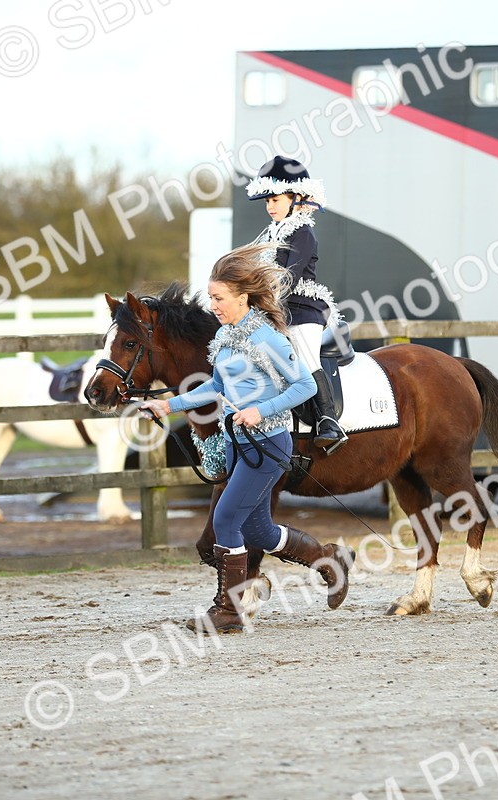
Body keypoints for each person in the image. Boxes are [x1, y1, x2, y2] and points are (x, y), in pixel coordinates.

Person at [140, 243, 356, 633]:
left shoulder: (265, 338)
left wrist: (262, 409)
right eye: (211, 298)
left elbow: (304, 385)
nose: (214, 305)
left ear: (242, 297)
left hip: (269, 444)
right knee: (259, 531)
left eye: (219, 298)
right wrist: (167, 406)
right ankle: (329, 559)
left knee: (225, 518)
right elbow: (216, 388)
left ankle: (228, 611)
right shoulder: (226, 337)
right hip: (239, 444)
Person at [246, 155, 349, 454]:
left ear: (296, 197)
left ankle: (330, 421)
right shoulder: (270, 233)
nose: (270, 207)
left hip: (303, 309)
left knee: (304, 355)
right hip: (277, 309)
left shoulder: (303, 232)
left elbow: (288, 276)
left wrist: (263, 300)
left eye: (275, 200)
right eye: (267, 201)